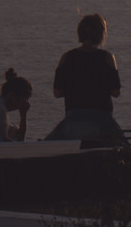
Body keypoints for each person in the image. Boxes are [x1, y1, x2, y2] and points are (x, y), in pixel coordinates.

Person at [44, 13, 124, 143]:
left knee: (48, 146)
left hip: (73, 120)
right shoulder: (107, 58)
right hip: (102, 121)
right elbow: (115, 92)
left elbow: (57, 92)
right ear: (100, 34)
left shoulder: (66, 57)